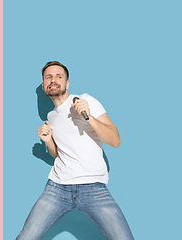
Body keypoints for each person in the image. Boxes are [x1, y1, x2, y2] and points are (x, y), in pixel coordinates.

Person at [16, 61, 134, 240]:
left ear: (67, 83)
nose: (53, 80)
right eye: (48, 77)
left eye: (58, 76)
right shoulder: (51, 116)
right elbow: (58, 154)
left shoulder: (86, 100)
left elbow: (115, 140)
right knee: (26, 237)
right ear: (44, 85)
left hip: (93, 187)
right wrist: (48, 141)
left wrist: (89, 117)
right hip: (57, 187)